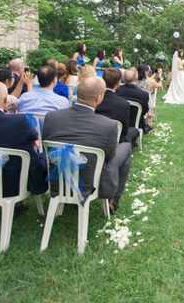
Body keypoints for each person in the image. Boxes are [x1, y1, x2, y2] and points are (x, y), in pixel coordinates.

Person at [43, 77, 132, 212]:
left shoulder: (51, 117)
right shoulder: (108, 125)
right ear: (98, 98)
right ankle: (114, 198)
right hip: (91, 182)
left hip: (58, 180)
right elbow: (109, 157)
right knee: (125, 147)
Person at [95, 68, 141, 144]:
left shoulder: (95, 98)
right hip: (116, 137)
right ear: (118, 83)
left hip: (96, 132)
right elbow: (124, 130)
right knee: (134, 131)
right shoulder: (124, 104)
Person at [117, 68, 153, 133]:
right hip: (135, 121)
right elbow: (144, 111)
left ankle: (145, 126)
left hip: (119, 119)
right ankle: (144, 126)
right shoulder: (143, 94)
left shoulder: (117, 90)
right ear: (136, 78)